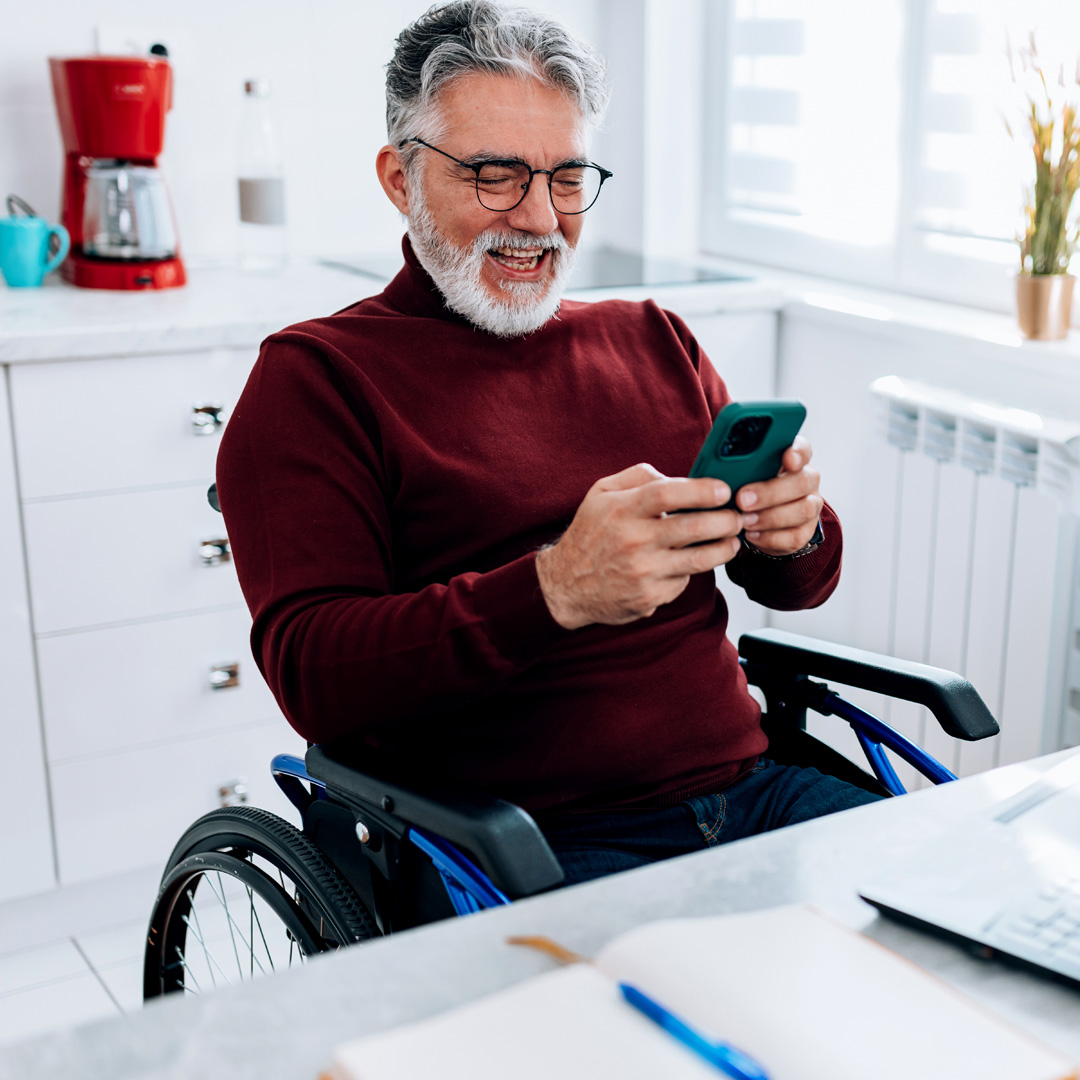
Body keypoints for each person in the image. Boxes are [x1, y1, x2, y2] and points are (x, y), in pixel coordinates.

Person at [217, 0, 880, 887]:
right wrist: (554, 589)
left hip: (757, 794)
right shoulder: (318, 379)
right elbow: (313, 672)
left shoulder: (653, 337)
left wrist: (794, 531)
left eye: (567, 178)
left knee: (979, 943)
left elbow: (796, 587)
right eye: (495, 174)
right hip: (528, 842)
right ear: (399, 178)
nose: (538, 219)